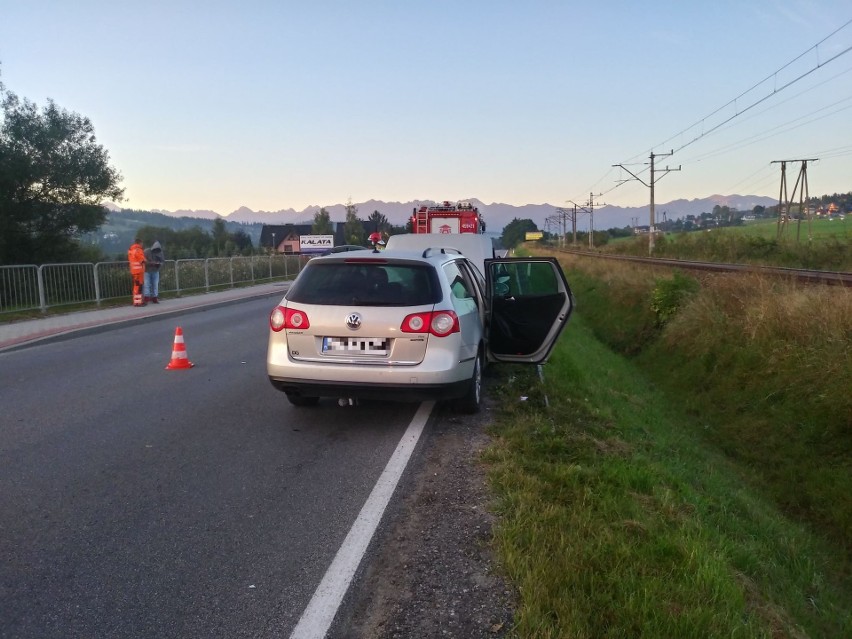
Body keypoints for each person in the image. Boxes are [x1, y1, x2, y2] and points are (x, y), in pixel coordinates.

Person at [127, 238, 146, 306]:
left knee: (136, 287)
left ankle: (137, 301)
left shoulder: (130, 250)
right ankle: (138, 302)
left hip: (134, 271)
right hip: (139, 271)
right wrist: (145, 260)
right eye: (142, 243)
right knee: (139, 287)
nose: (142, 244)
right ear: (139, 243)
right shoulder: (138, 250)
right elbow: (142, 260)